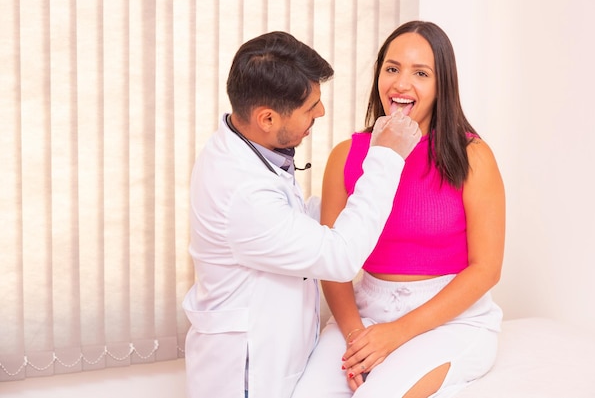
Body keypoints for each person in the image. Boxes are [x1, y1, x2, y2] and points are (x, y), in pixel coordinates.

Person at [182, 31, 420, 398]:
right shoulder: (242, 191)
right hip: (248, 376)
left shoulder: (249, 147)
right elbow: (339, 258)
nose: (320, 112)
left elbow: (293, 219)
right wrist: (386, 157)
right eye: (310, 107)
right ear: (266, 118)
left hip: (282, 357)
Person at [292, 20, 505, 398]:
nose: (401, 84)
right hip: (367, 315)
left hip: (453, 322)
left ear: (443, 86)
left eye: (420, 73)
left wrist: (396, 335)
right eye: (392, 69)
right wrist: (359, 337)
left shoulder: (473, 157)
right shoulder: (345, 156)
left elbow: (486, 269)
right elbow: (332, 263)